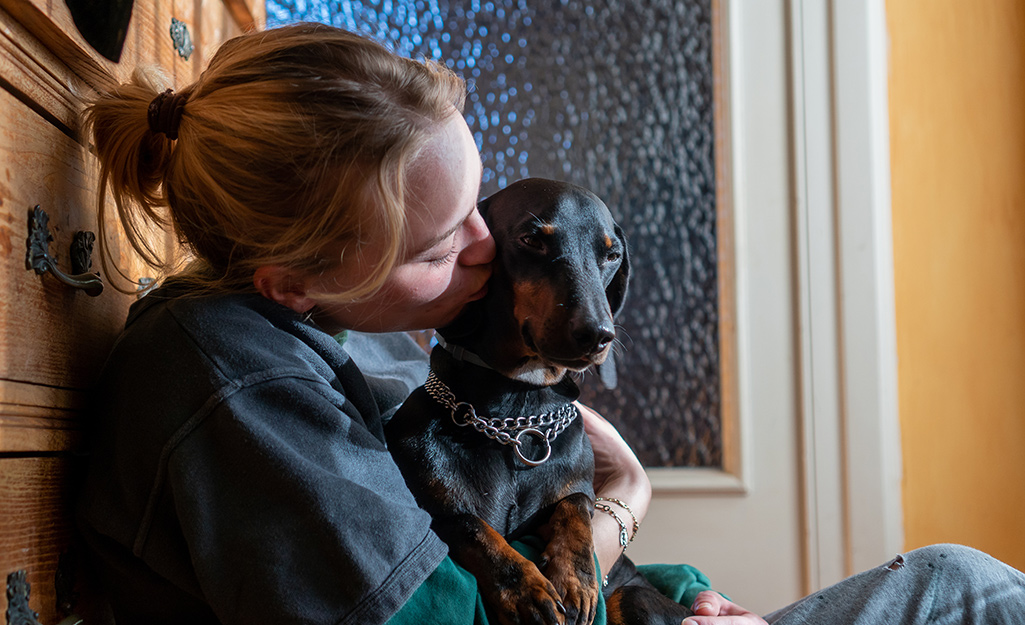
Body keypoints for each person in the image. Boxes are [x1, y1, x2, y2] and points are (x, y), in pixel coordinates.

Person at [77, 21, 1025, 625]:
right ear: (292, 279)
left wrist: (689, 590)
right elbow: (451, 615)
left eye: (477, 212)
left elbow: (513, 522)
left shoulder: (346, 336)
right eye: (444, 247)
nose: (486, 256)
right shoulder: (235, 385)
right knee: (964, 589)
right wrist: (624, 494)